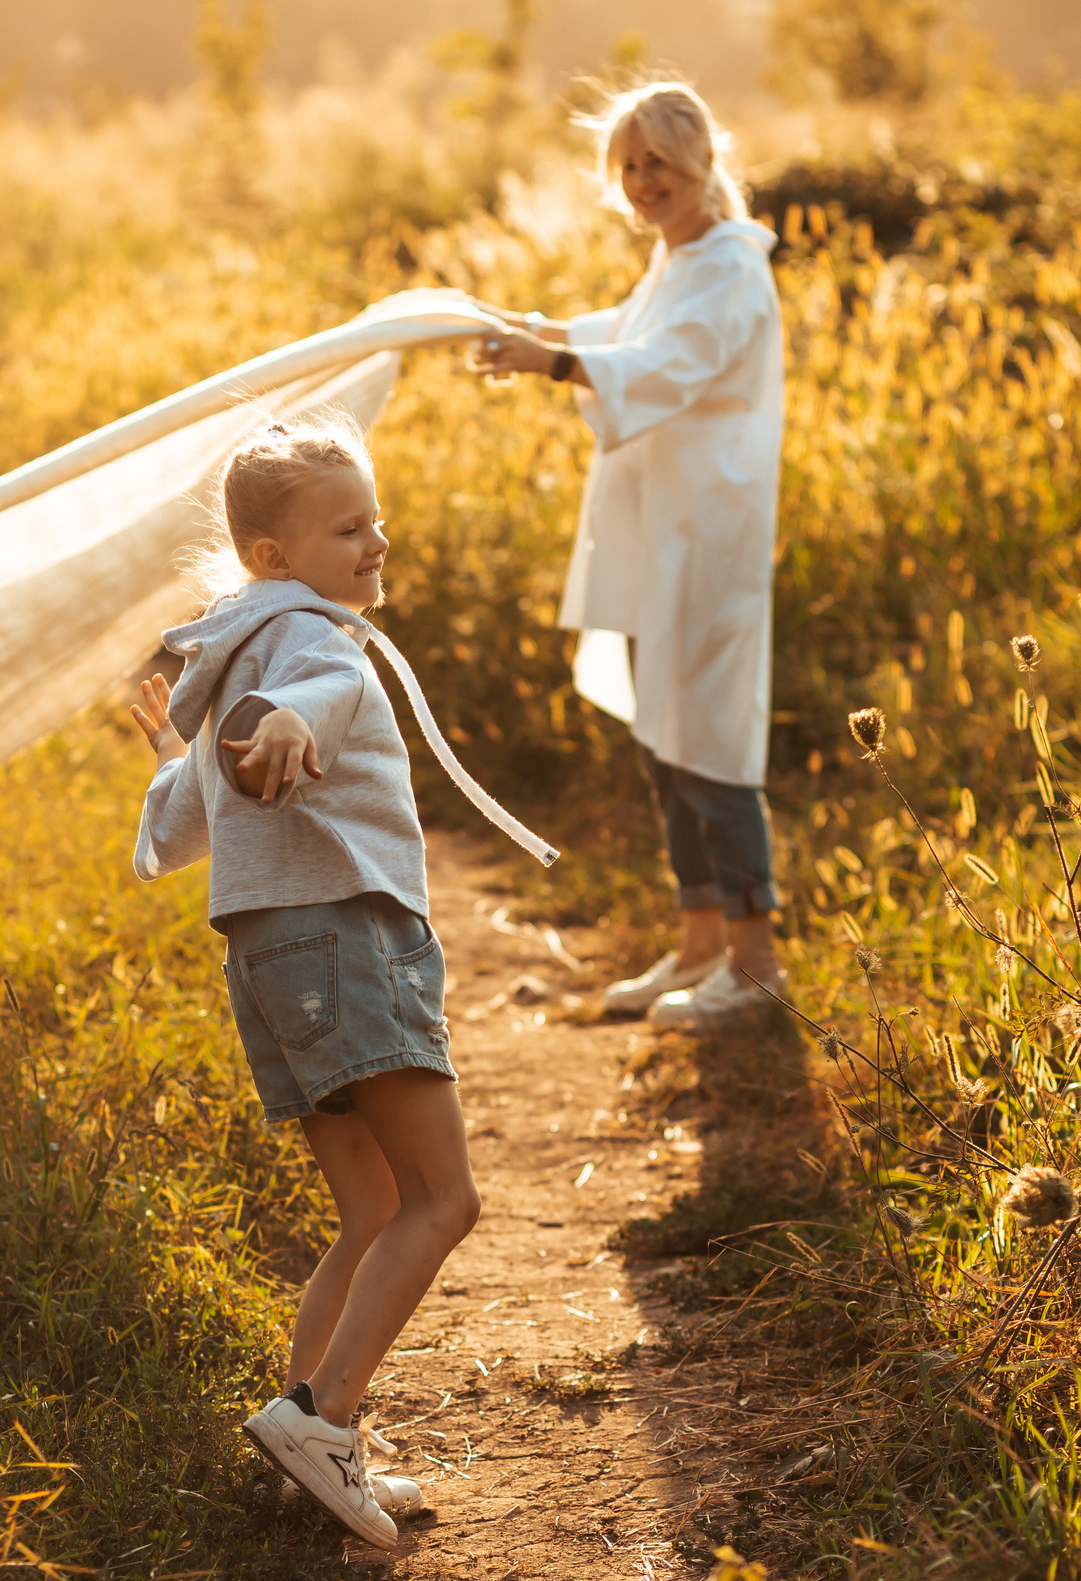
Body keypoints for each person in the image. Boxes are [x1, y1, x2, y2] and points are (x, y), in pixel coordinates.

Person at [129, 418, 482, 1549]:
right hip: (341, 939)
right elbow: (325, 689)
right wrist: (292, 717)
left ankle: (317, 1445)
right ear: (273, 555)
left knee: (371, 1208)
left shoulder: (239, 647)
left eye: (375, 517)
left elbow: (182, 823)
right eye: (347, 527)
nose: (376, 540)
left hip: (271, 957)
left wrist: (181, 763)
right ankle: (321, 1417)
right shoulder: (304, 639)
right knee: (442, 1198)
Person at [469, 81, 788, 1031]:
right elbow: (627, 334)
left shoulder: (730, 262)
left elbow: (670, 366)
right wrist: (546, 334)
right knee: (663, 736)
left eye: (658, 160)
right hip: (661, 532)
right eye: (630, 166)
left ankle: (756, 961)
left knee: (712, 745)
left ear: (700, 159)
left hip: (708, 538)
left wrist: (553, 362)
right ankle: (696, 945)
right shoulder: (677, 259)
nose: (644, 180)